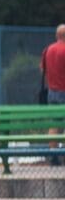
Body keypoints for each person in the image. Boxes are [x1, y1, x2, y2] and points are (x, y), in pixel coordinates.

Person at [41, 24, 65, 164]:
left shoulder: (47, 50)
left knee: (54, 124)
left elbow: (42, 70)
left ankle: (54, 156)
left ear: (57, 36)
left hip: (52, 92)